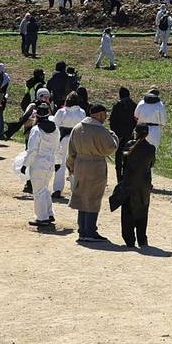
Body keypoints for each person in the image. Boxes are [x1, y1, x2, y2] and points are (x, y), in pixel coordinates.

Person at [67, 103, 119, 243]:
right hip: (95, 166)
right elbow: (110, 148)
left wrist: (71, 167)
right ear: (99, 114)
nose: (105, 117)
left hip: (79, 165)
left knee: (81, 196)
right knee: (93, 198)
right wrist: (113, 136)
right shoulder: (100, 130)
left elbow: (71, 151)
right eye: (104, 114)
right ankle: (90, 231)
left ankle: (82, 230)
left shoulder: (77, 128)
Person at [113, 124, 154, 248]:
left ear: (135, 132)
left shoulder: (128, 145)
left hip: (129, 182)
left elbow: (121, 163)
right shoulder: (151, 148)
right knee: (142, 211)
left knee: (127, 213)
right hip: (144, 184)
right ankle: (142, 239)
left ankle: (129, 240)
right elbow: (151, 164)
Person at [22, 104, 60, 228]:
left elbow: (32, 150)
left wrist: (25, 165)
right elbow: (58, 148)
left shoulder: (36, 130)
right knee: (44, 189)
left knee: (38, 191)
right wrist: (57, 162)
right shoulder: (55, 128)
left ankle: (41, 218)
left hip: (38, 164)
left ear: (36, 115)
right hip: (50, 163)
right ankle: (49, 214)